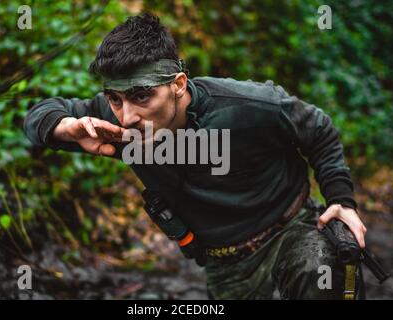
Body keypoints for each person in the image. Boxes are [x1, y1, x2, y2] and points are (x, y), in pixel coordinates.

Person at [23, 13, 367, 299]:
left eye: (142, 97)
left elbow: (318, 129)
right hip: (224, 264)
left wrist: (341, 200)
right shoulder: (115, 124)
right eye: (115, 99)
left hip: (290, 230)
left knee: (325, 271)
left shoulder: (250, 106)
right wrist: (66, 128)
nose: (126, 116)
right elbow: (39, 115)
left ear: (178, 84)